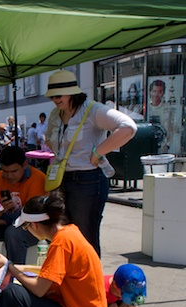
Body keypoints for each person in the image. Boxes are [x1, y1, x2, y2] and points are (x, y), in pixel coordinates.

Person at [44, 70, 137, 255]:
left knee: (85, 234)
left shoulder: (92, 110)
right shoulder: (56, 114)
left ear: (72, 92)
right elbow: (49, 139)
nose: (54, 100)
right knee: (60, 232)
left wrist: (98, 151)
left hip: (88, 180)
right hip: (62, 179)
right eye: (51, 96)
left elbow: (128, 127)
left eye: (58, 95)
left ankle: (90, 280)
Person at [0, 146, 46, 264]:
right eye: (5, 172)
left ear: (24, 165)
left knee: (13, 233)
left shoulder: (37, 178)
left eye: (14, 171)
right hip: (7, 223)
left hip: (34, 227)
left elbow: (30, 216)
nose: (9, 176)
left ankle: (15, 275)